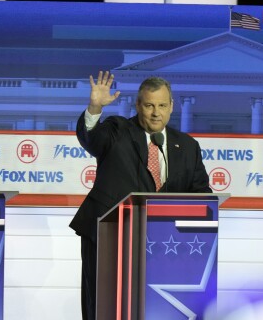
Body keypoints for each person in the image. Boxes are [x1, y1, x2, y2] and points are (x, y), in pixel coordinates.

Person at [69, 71, 212, 320]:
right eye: (149, 105)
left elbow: (201, 195)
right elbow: (91, 138)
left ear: (171, 107)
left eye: (162, 106)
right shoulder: (117, 131)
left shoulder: (187, 146)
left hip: (166, 245)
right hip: (109, 236)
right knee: (104, 308)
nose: (156, 113)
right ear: (138, 105)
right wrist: (94, 107)